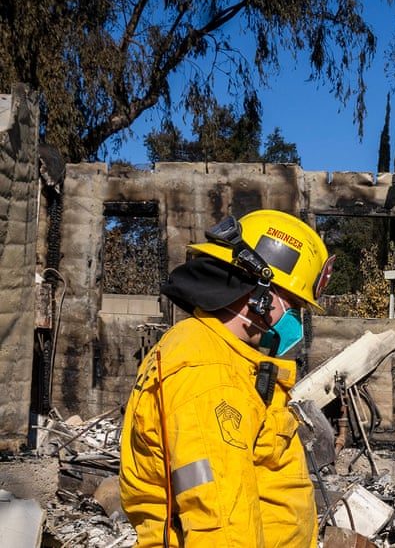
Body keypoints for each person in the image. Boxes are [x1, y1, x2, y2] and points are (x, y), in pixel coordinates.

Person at [119, 209, 335, 548]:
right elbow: (222, 518)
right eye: (292, 305)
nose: (296, 321)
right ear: (258, 293)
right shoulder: (208, 373)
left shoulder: (224, 357)